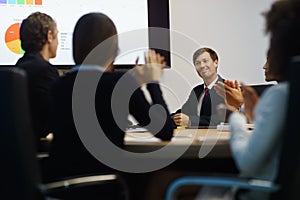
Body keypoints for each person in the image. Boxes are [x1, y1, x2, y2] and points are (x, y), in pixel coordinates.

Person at [43, 12, 175, 181]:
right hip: (104, 187)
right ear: (113, 49)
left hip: (60, 187)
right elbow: (165, 131)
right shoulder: (121, 83)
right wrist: (153, 82)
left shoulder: (58, 86)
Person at [15, 12, 59, 149]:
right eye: (57, 35)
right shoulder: (45, 71)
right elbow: (56, 118)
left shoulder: (19, 67)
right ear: (49, 36)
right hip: (32, 150)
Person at [172, 47, 227, 127]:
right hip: (195, 136)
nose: (201, 66)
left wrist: (190, 121)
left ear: (216, 63)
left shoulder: (226, 88)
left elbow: (221, 119)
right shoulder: (197, 91)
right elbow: (184, 112)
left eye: (205, 61)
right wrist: (169, 118)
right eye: (197, 63)